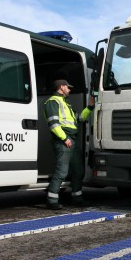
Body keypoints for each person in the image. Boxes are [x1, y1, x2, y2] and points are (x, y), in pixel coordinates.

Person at [44, 79, 95, 210]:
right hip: (63, 141)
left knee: (79, 170)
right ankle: (52, 200)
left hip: (71, 140)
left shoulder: (65, 103)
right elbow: (53, 125)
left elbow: (80, 118)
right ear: (61, 87)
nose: (70, 90)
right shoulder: (52, 102)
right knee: (61, 171)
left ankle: (77, 198)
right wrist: (64, 138)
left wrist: (89, 107)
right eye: (68, 87)